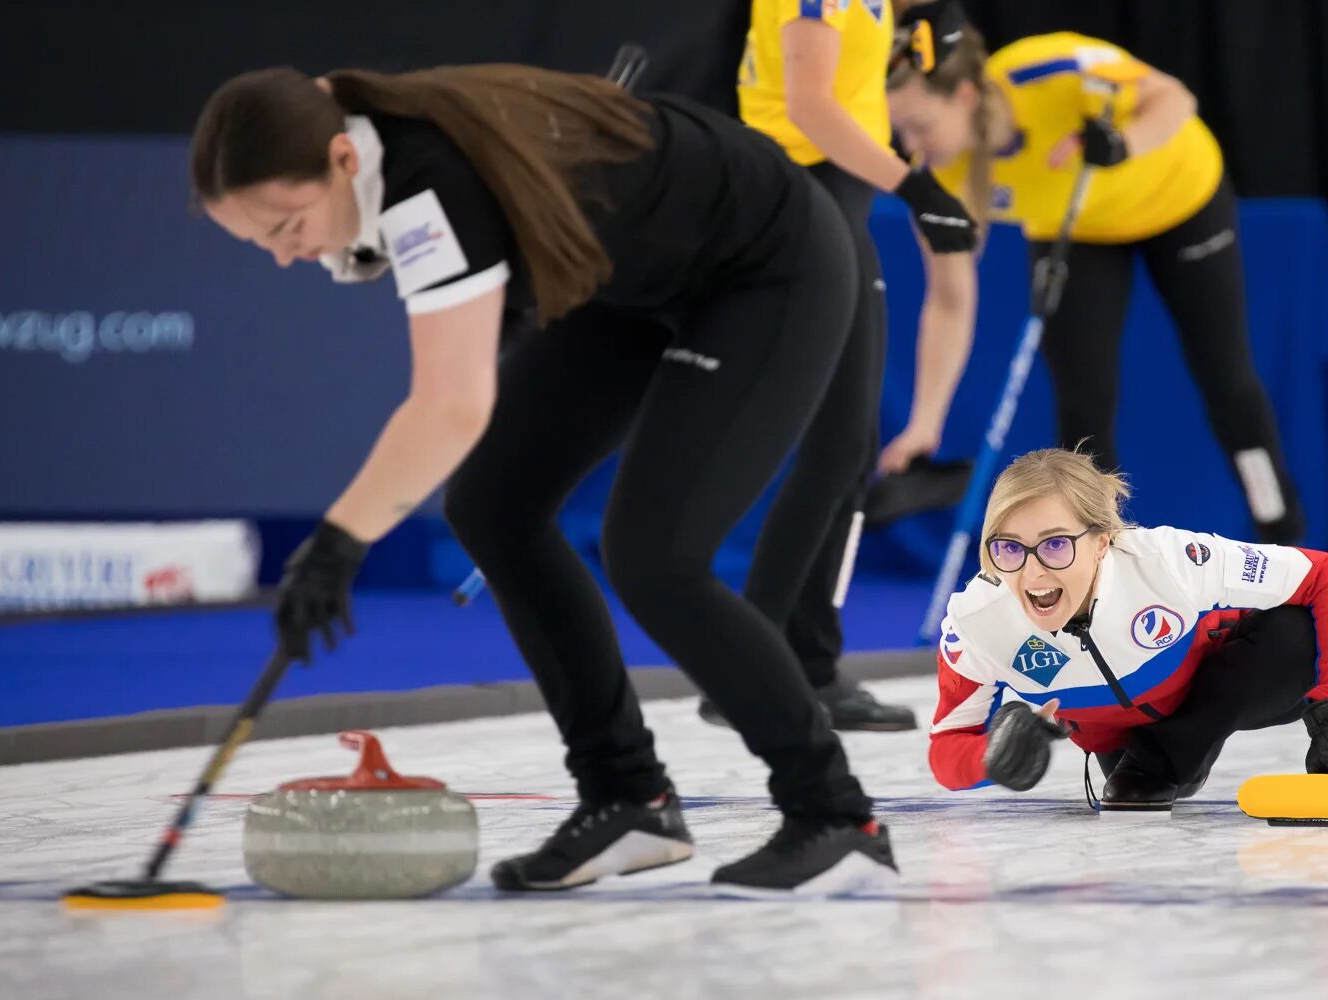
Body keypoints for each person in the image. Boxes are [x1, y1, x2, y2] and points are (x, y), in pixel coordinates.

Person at [189, 64, 899, 894]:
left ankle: (835, 815)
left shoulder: (423, 183)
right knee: (493, 504)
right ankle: (626, 795)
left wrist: (337, 544)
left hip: (770, 264)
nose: (283, 255)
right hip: (633, 282)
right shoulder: (372, 146)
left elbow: (451, 405)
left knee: (656, 555)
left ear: (343, 159)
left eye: (285, 224)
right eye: (258, 242)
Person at [878, 9, 1306, 545]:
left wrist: (1124, 141)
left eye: (919, 125)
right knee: (1082, 404)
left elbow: (1174, 98)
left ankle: (1283, 540)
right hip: (1078, 230)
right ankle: (1095, 555)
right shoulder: (938, 174)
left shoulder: (1048, 69)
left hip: (1180, 199)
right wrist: (925, 422)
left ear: (965, 96)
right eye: (900, 131)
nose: (911, 144)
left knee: (1227, 380)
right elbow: (948, 300)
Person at [706, 0, 975, 732]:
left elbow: (847, 84)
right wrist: (915, 187)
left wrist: (918, 23)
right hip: (801, 194)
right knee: (833, 451)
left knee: (842, 452)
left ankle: (799, 666)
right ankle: (757, 668)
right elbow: (808, 105)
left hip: (833, 201)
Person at [928, 447, 1328, 810]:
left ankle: (1162, 760)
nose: (1033, 573)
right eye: (1008, 548)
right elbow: (946, 750)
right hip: (1123, 748)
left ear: (1102, 541)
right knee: (1136, 783)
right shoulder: (977, 620)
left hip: (1229, 686)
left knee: (1293, 632)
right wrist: (989, 758)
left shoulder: (1167, 561)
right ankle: (1152, 763)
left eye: (1056, 545)